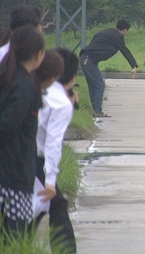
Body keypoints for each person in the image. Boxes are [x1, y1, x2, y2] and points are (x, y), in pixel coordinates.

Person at [0, 25, 45, 240]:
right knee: (14, 240)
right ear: (38, 55)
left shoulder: (9, 76)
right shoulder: (25, 85)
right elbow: (7, 126)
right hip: (13, 175)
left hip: (9, 172)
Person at [34, 48, 79, 253]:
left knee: (39, 208)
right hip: (34, 159)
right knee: (54, 204)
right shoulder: (60, 103)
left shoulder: (31, 86)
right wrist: (50, 181)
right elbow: (52, 143)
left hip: (19, 153)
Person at [79, 18, 138, 117]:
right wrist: (134, 66)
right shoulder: (118, 37)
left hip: (86, 58)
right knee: (100, 85)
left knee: (93, 85)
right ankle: (97, 111)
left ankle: (95, 110)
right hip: (88, 60)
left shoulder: (107, 32)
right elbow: (124, 50)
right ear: (125, 30)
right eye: (127, 31)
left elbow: (94, 42)